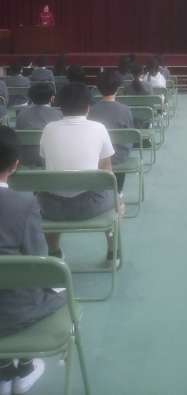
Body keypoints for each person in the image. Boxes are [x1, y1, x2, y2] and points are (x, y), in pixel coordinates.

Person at [0, 126, 66, 394]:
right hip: (15, 312)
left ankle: (4, 370)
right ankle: (25, 366)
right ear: (16, 164)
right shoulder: (24, 203)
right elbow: (39, 265)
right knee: (55, 287)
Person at [39, 83, 117, 263]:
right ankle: (113, 252)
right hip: (91, 206)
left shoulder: (48, 128)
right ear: (88, 107)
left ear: (60, 106)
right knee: (117, 202)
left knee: (48, 191)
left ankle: (54, 251)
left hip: (52, 208)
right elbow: (107, 172)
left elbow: (46, 164)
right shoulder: (99, 128)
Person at [89, 70, 134, 196]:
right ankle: (119, 190)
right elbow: (130, 136)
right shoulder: (125, 110)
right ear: (118, 88)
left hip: (96, 156)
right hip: (119, 156)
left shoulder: (91, 110)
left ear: (98, 88)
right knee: (122, 148)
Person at [16, 83, 62, 166]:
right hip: (51, 157)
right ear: (52, 98)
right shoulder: (59, 114)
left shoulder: (21, 114)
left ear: (30, 97)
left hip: (27, 158)